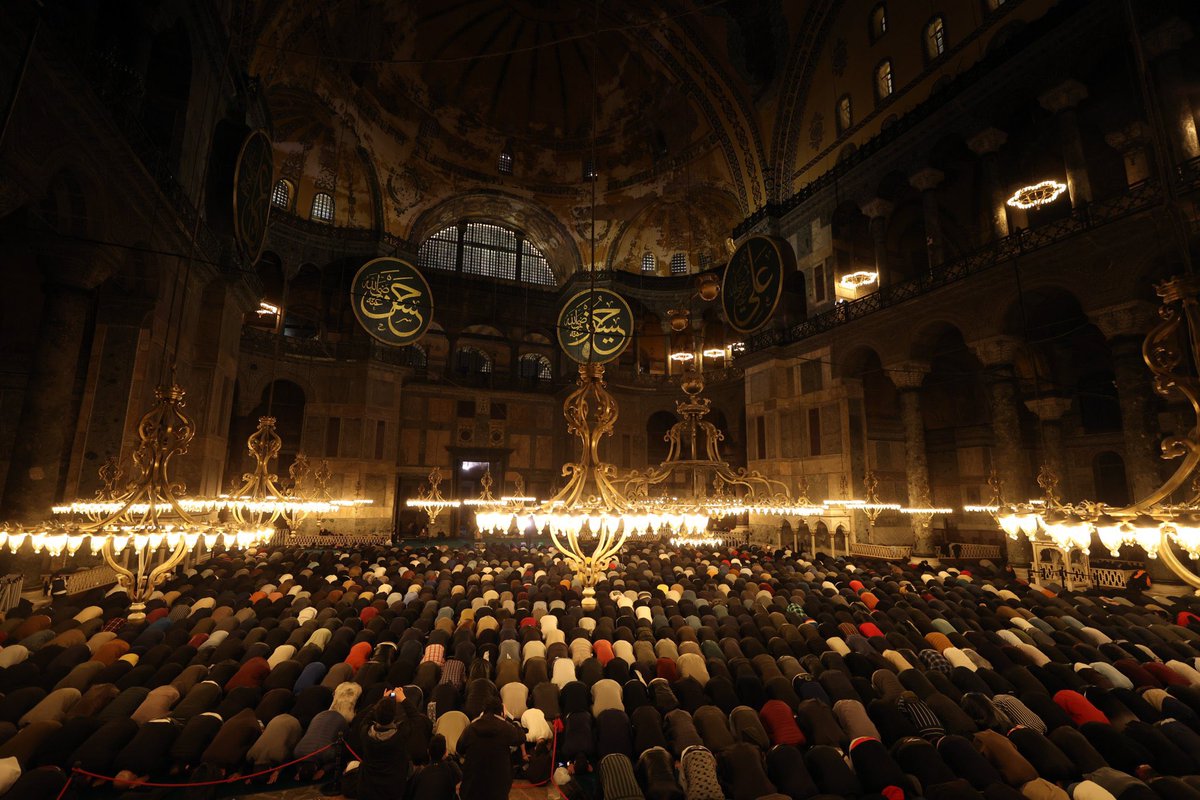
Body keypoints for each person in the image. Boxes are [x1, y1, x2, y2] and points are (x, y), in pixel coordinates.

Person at [457, 698, 525, 800]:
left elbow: (459, 748)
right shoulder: (506, 727)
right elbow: (521, 737)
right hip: (498, 789)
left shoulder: (471, 728)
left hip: (472, 788)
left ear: (483, 711)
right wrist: (511, 719)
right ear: (502, 712)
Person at [356, 691, 417, 800]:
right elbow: (416, 718)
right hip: (392, 790)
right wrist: (403, 699)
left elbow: (366, 718)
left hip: (368, 788)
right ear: (394, 716)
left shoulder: (365, 732)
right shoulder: (399, 736)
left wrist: (382, 701)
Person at [407, 734, 462, 800]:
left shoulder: (420, 773)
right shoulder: (450, 770)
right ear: (445, 752)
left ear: (428, 751)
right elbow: (461, 780)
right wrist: (449, 759)